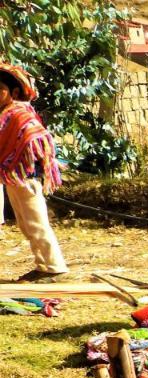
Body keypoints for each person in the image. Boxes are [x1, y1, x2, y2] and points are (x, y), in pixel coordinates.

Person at [0, 62, 68, 282]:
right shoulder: (5, 114)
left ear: (15, 92)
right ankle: (45, 265)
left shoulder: (19, 113)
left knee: (35, 222)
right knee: (25, 223)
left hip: (25, 175)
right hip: (14, 175)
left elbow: (34, 139)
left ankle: (52, 266)